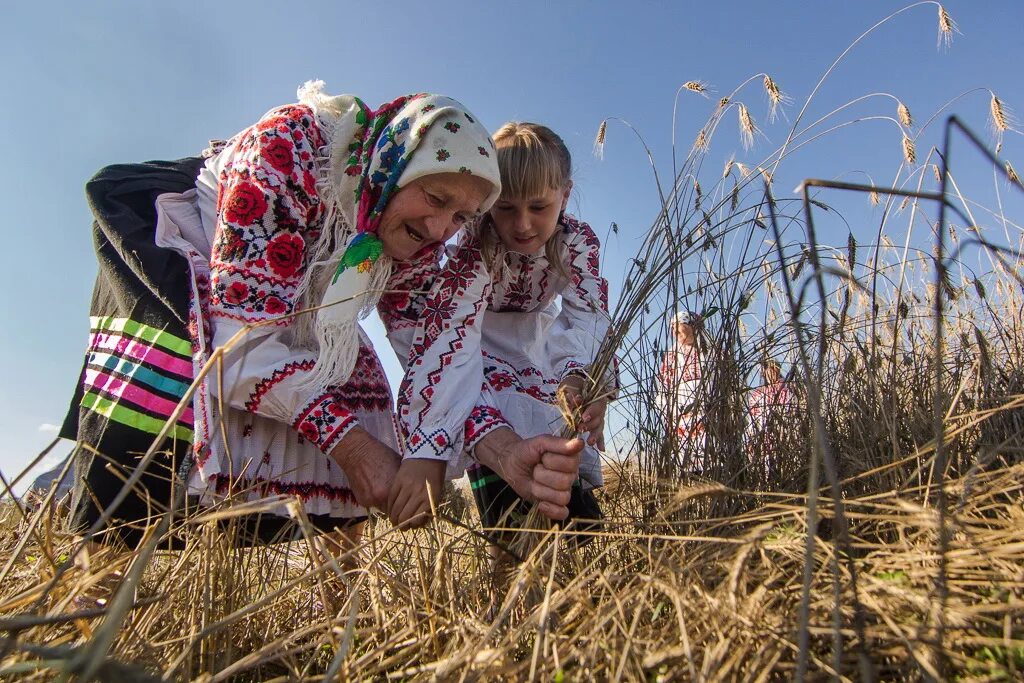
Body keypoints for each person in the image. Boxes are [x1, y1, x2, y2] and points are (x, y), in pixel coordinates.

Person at [61, 83, 584, 557]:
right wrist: (355, 449)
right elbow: (238, 342)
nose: (439, 227)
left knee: (366, 396)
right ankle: (93, 609)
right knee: (160, 401)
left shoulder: (419, 242)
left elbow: (436, 359)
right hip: (193, 272)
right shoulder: (286, 151)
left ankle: (339, 627)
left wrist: (504, 450)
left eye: (461, 217)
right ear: (395, 166)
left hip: (301, 303)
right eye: (435, 197)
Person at [382, 121, 615, 548]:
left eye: (539, 207)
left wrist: (583, 376)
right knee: (499, 433)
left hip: (538, 349)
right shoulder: (476, 246)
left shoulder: (576, 243)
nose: (522, 225)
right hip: (476, 347)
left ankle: (579, 559)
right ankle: (510, 558)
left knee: (560, 430)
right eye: (505, 208)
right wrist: (430, 439)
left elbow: (589, 315)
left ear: (564, 194)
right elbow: (452, 330)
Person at [656, 310, 707, 472]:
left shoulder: (711, 352)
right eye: (672, 327)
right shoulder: (671, 356)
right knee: (685, 464)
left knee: (709, 461)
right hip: (680, 415)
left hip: (707, 413)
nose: (675, 330)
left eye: (680, 325)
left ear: (693, 326)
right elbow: (663, 388)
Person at [746, 358, 795, 479]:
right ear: (764, 371)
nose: (772, 371)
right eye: (769, 368)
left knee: (787, 471)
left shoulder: (788, 388)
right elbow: (752, 420)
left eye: (775, 368)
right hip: (764, 440)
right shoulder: (757, 394)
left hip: (785, 436)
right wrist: (751, 440)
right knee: (767, 473)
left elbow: (794, 411)